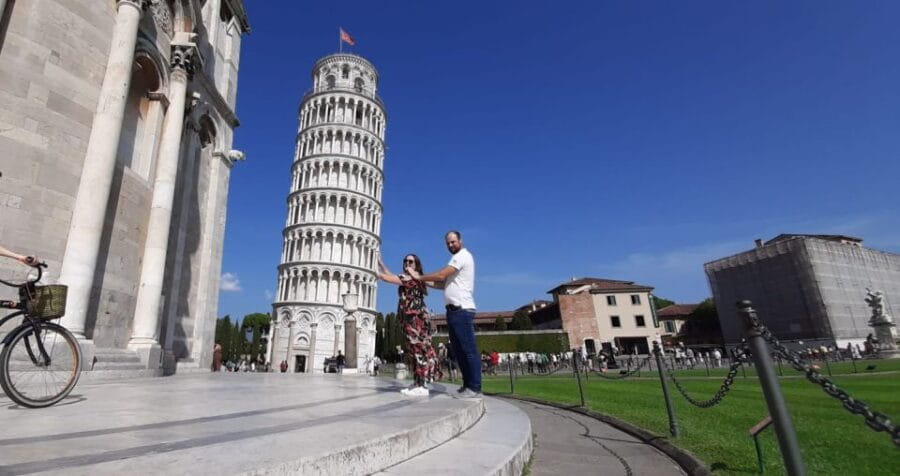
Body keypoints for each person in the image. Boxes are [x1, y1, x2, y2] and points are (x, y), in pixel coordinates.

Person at [406, 230, 481, 398]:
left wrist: (419, 276)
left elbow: (441, 275)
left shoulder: (462, 256)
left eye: (453, 242)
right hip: (454, 311)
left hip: (462, 309)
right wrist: (420, 279)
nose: (450, 245)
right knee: (459, 351)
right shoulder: (456, 260)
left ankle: (475, 387)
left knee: (468, 350)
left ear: (460, 240)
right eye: (447, 243)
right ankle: (468, 385)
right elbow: (441, 284)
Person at [377, 253, 440, 396]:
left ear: (416, 264)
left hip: (416, 319)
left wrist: (377, 273)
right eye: (405, 261)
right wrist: (381, 264)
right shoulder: (407, 277)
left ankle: (422, 385)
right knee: (413, 351)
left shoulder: (415, 277)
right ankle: (417, 382)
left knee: (418, 350)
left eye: (410, 261)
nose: (407, 263)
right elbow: (393, 276)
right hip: (408, 319)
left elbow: (389, 278)